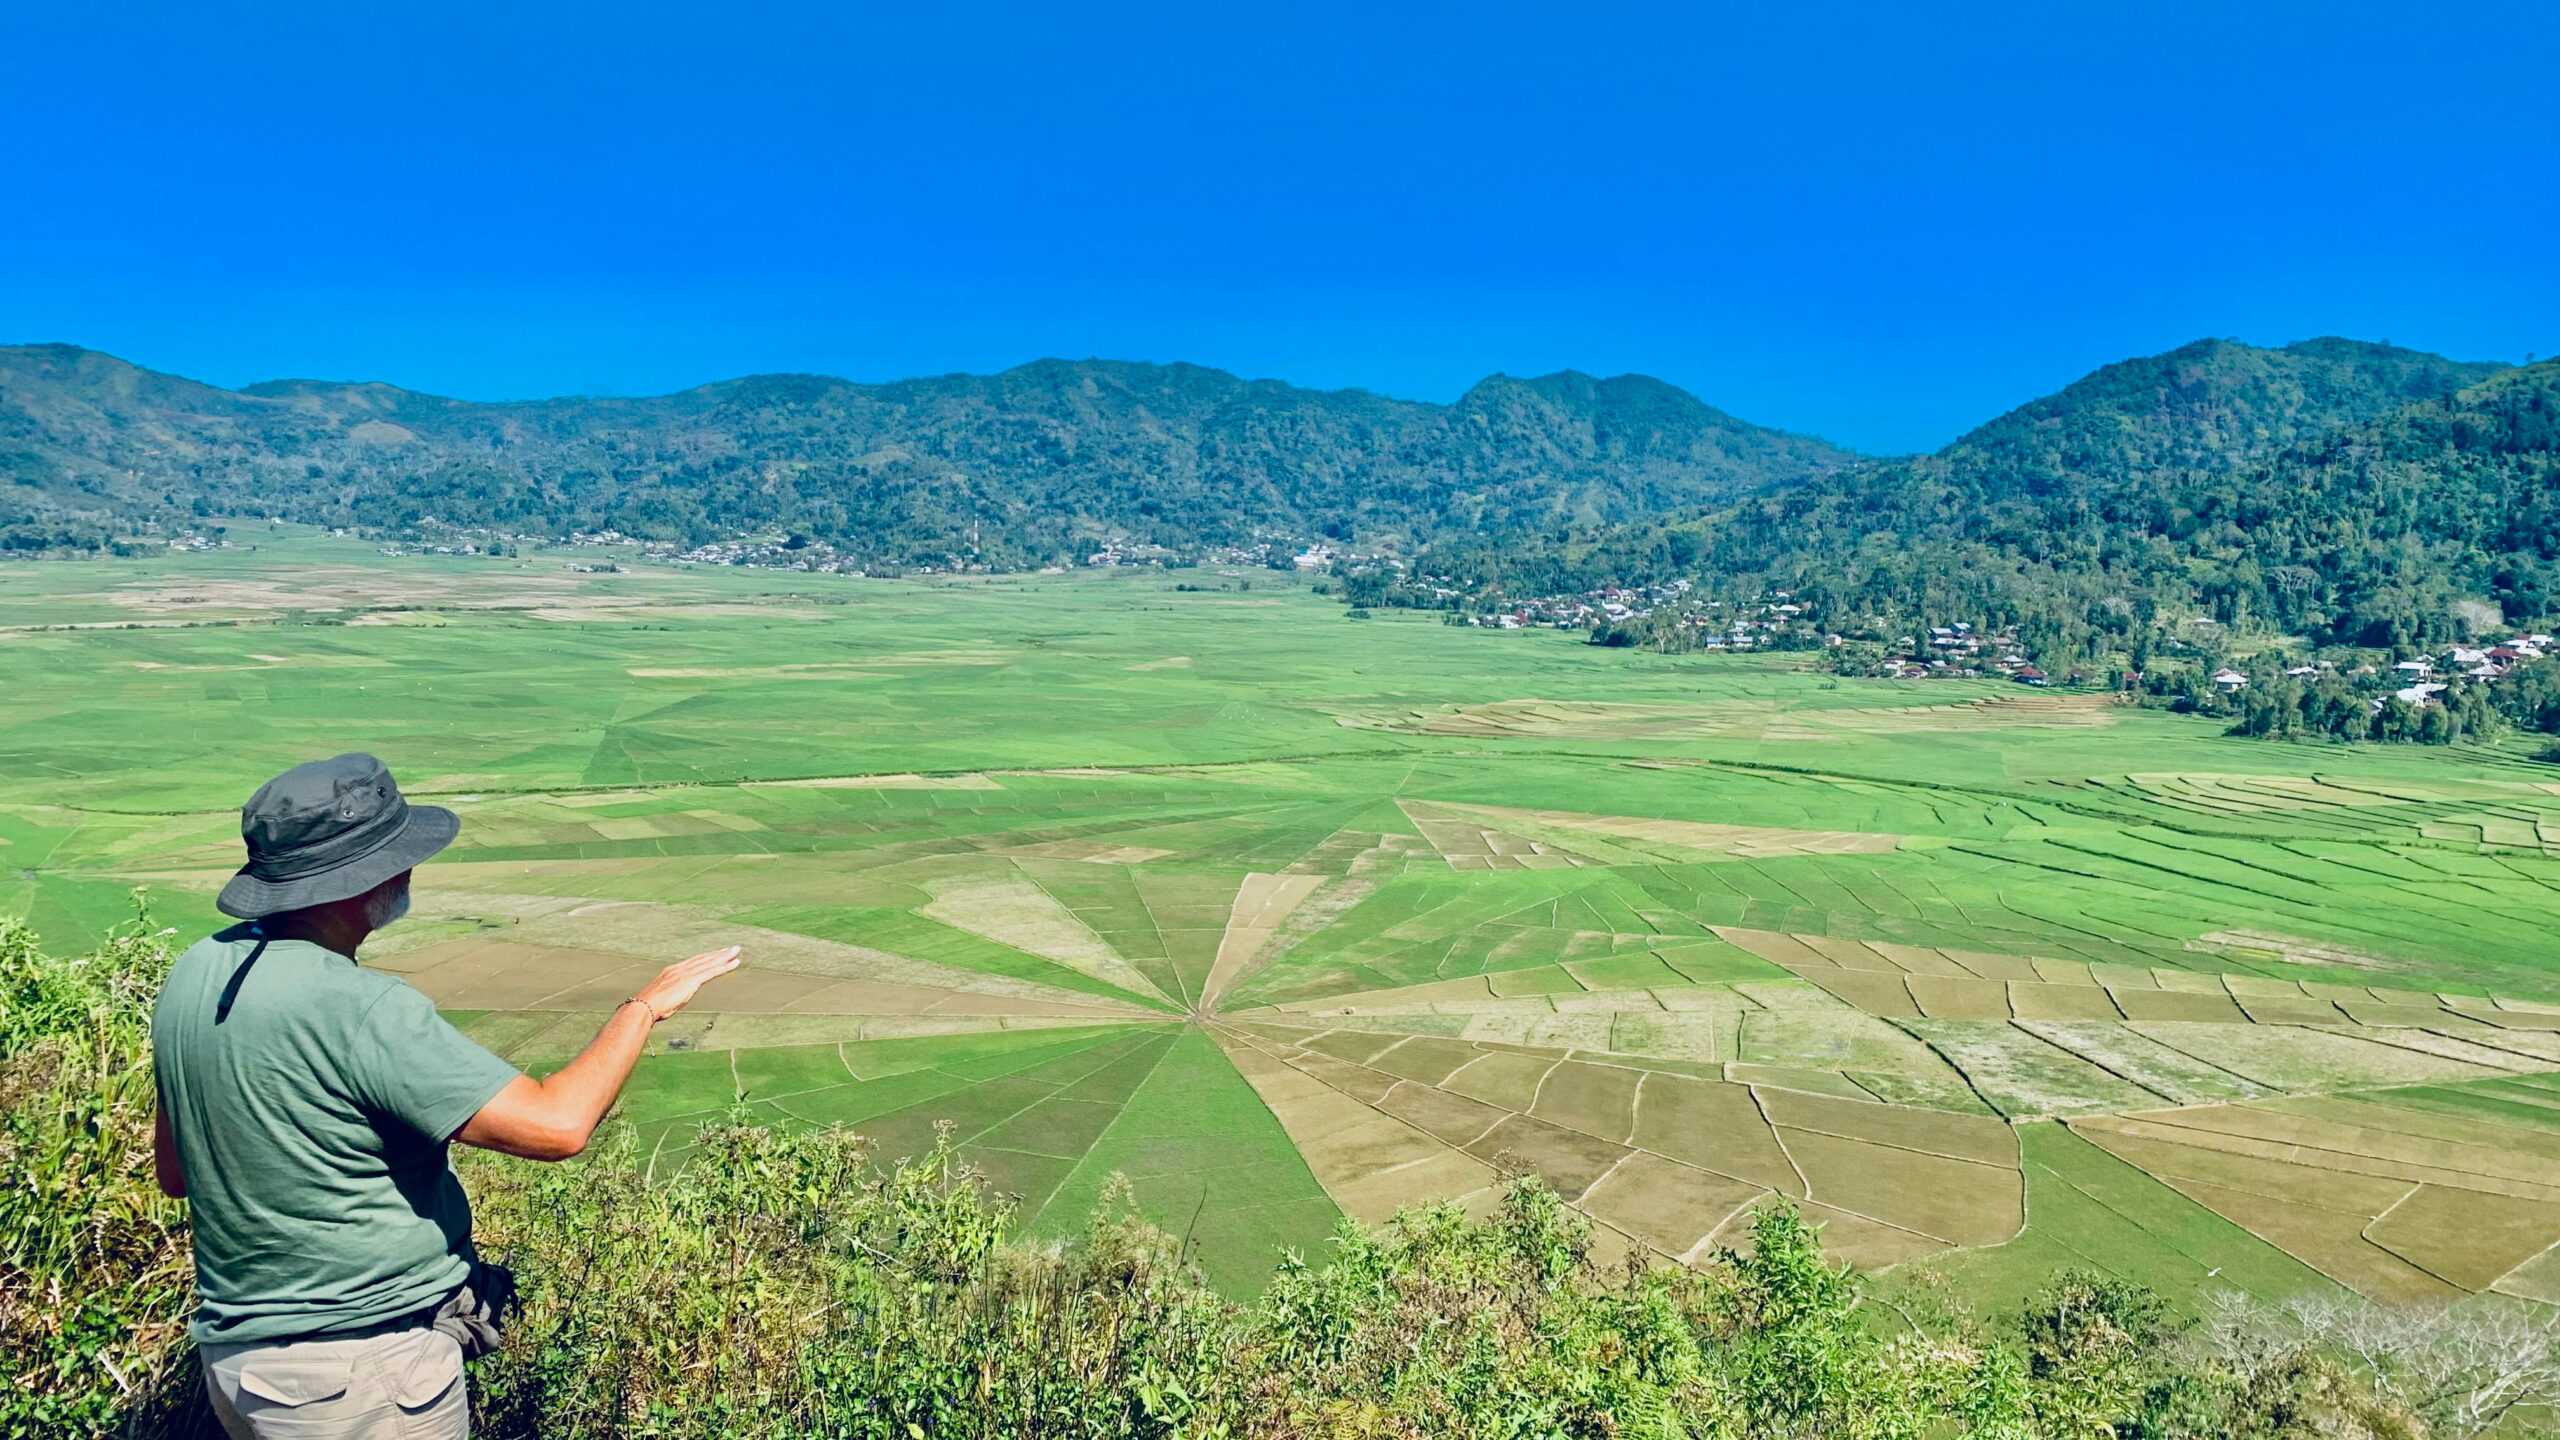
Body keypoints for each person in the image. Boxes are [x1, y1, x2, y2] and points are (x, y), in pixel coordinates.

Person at [151, 753, 742, 1438]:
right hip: (361, 1375)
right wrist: (644, 1007)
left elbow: (176, 1171)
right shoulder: (359, 1007)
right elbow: (558, 1125)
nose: (408, 869)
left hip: (240, 1364)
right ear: (357, 877)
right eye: (396, 853)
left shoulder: (196, 972)